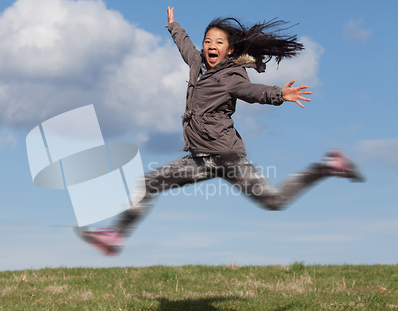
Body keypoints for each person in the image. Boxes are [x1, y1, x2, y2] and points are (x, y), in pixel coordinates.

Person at [74, 7, 364, 256]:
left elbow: (252, 91)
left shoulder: (232, 76)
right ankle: (115, 236)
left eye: (219, 42)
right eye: (208, 41)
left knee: (274, 201)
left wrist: (278, 94)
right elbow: (186, 46)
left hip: (228, 158)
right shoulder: (198, 62)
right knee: (147, 183)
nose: (211, 46)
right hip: (199, 160)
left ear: (230, 50)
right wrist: (173, 27)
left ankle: (328, 166)